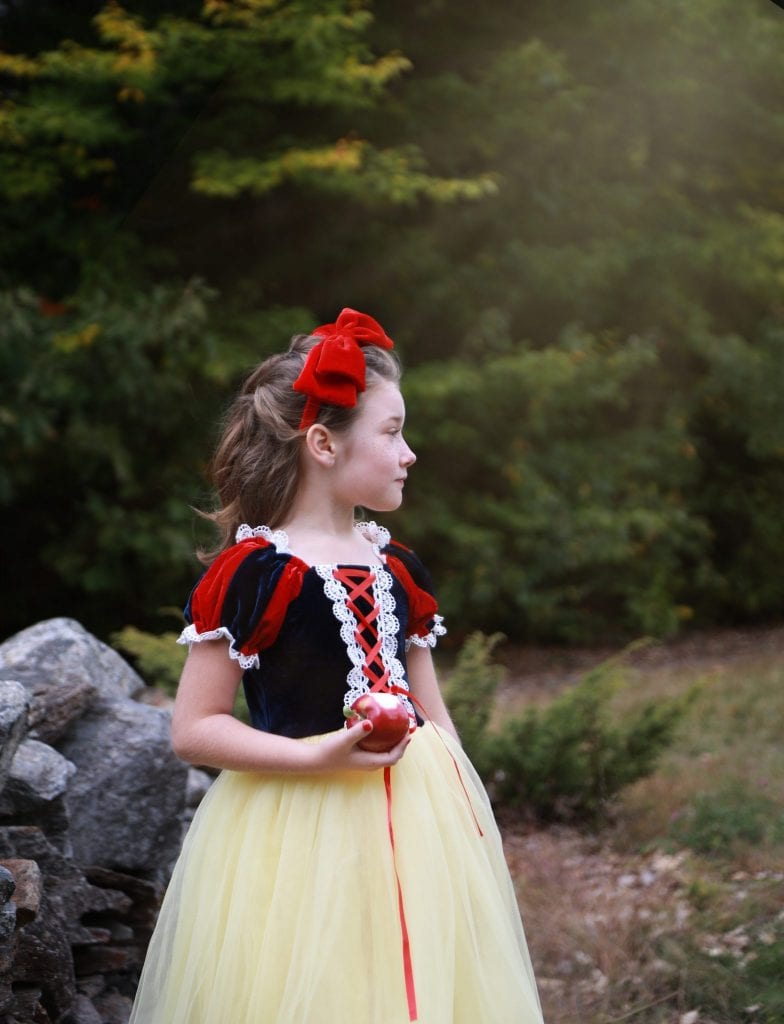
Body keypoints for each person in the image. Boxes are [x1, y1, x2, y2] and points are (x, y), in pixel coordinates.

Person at [129, 308, 544, 1024]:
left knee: (413, 986)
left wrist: (466, 812)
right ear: (323, 443)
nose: (410, 452)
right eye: (391, 432)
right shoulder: (256, 573)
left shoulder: (399, 570)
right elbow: (193, 730)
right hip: (293, 827)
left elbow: (433, 716)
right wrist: (318, 753)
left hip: (416, 820)